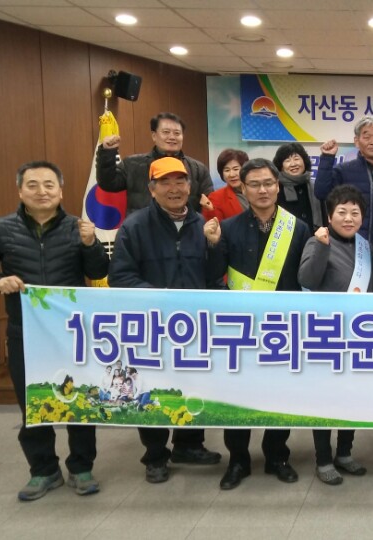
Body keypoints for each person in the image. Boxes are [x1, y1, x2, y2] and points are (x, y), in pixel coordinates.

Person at [0, 161, 109, 501]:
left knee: (79, 401)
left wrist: (90, 244)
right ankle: (43, 470)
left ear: (60, 190)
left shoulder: (78, 227)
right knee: (33, 404)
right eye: (33, 185)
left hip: (72, 334)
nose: (41, 191)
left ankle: (81, 467)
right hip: (25, 332)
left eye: (49, 184)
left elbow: (98, 271)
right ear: (20, 191)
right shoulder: (1, 229)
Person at [107, 156, 223, 484]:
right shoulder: (134, 226)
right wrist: (162, 298)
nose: (174, 189)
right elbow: (120, 277)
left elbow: (214, 277)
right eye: (165, 182)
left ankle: (189, 444)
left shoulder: (203, 224)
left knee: (194, 385)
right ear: (152, 189)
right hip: (153, 326)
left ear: (190, 186)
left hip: (194, 326)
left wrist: (214, 247)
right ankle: (156, 455)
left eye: (180, 181)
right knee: (151, 389)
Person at [204, 158, 312, 490]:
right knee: (237, 395)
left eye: (268, 183)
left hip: (284, 328)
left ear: (277, 186)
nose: (262, 190)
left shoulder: (298, 228)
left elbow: (305, 278)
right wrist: (212, 245)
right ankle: (238, 460)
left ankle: (277, 456)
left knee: (281, 395)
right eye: (254, 184)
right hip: (241, 329)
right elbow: (213, 277)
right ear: (243, 188)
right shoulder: (229, 228)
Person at [298, 185, 373, 485]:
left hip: (357, 336)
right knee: (323, 398)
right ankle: (323, 459)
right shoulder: (317, 240)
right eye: (341, 212)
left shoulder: (365, 247)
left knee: (351, 397)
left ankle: (344, 452)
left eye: (355, 212)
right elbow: (306, 279)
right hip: (326, 335)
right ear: (329, 216)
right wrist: (321, 246)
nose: (349, 218)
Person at [96, 112, 213, 215]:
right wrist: (107, 153)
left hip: (183, 229)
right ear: (154, 136)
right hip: (141, 229)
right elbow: (108, 184)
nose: (172, 137)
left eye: (177, 133)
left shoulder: (198, 169)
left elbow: (210, 201)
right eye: (166, 132)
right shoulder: (132, 164)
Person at [315, 116, 373, 243]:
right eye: (366, 137)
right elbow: (321, 192)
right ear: (356, 141)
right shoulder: (343, 171)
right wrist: (327, 158)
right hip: (350, 246)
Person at [273, 142, 324, 230]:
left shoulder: (316, 188)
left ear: (304, 161)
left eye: (296, 159)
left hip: (315, 236)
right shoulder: (276, 189)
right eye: (287, 160)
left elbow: (324, 217)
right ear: (281, 166)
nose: (293, 164)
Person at [201, 148, 248, 221]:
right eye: (227, 170)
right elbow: (215, 225)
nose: (231, 174)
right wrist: (209, 209)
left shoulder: (258, 191)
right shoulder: (216, 197)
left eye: (236, 169)